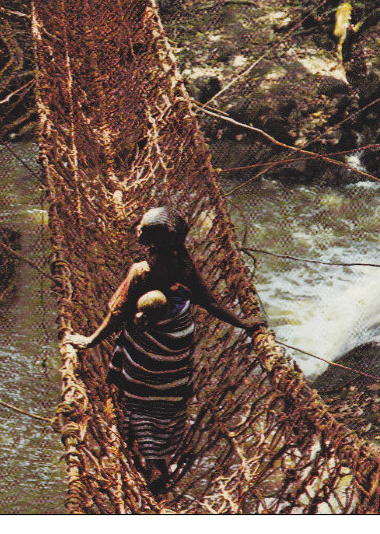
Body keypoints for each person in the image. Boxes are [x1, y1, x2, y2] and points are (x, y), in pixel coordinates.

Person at [65, 206, 265, 491]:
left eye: (142, 228)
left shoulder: (141, 271)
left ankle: (146, 458)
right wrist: (244, 323)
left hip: (145, 356)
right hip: (175, 357)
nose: (137, 229)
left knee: (138, 398)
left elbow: (116, 316)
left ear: (152, 241)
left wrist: (90, 340)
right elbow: (210, 302)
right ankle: (158, 461)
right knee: (164, 404)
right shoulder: (184, 267)